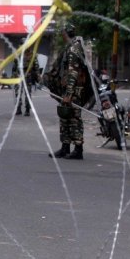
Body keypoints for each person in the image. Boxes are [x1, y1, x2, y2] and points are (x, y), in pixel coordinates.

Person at [49, 22, 88, 160]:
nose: (62, 35)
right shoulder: (71, 47)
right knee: (65, 117)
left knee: (74, 119)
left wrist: (69, 94)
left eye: (63, 33)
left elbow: (73, 73)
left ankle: (78, 149)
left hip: (73, 90)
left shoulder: (73, 50)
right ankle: (65, 147)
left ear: (66, 33)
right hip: (67, 89)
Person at [12, 48, 40, 116]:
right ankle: (19, 109)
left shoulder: (31, 54)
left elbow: (36, 66)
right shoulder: (19, 53)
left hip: (28, 76)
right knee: (18, 93)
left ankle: (27, 109)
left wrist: (38, 76)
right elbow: (15, 66)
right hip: (19, 76)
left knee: (27, 93)